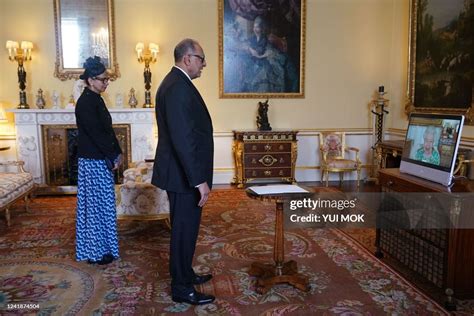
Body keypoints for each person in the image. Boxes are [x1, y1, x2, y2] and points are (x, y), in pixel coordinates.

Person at [151, 39, 215, 305]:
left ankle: (185, 274)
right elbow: (183, 138)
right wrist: (198, 180)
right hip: (183, 175)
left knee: (185, 228)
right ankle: (181, 288)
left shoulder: (176, 83)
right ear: (187, 58)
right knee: (183, 230)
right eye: (201, 58)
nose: (204, 64)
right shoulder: (177, 87)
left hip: (180, 172)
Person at [75, 56, 122, 265]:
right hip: (93, 162)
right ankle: (96, 252)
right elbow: (96, 134)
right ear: (91, 80)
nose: (106, 83)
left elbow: (107, 131)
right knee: (95, 209)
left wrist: (118, 152)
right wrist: (111, 156)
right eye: (103, 79)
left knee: (105, 207)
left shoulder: (97, 99)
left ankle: (106, 248)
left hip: (101, 160)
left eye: (107, 79)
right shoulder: (85, 102)